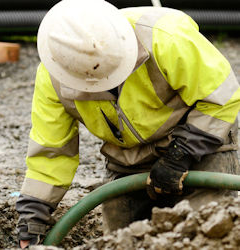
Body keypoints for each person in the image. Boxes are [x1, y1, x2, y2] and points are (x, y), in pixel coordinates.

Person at [16, 0, 240, 248]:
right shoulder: (53, 76)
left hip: (199, 143)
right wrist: (33, 215)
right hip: (128, 159)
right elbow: (51, 151)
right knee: (119, 242)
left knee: (205, 232)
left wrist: (180, 155)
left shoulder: (165, 37)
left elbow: (222, 98)